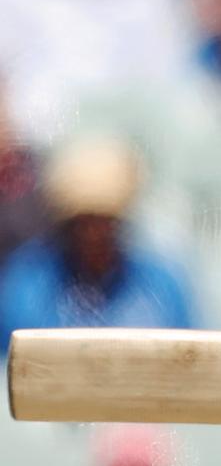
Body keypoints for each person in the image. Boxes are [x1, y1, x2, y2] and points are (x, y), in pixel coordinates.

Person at [0, 135, 197, 354]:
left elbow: (189, 360)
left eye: (104, 224)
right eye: (82, 224)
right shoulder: (27, 284)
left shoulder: (161, 286)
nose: (93, 236)